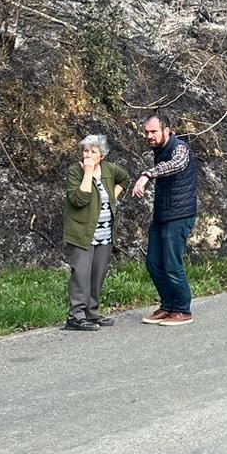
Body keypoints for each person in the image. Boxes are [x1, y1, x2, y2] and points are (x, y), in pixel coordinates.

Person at [132, 112, 198, 324]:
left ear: (167, 131)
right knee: (153, 263)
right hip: (162, 214)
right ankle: (168, 305)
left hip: (179, 215)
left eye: (153, 132)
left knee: (171, 264)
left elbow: (176, 164)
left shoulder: (180, 148)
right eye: (146, 132)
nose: (149, 136)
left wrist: (146, 174)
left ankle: (182, 309)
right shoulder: (159, 150)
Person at [61, 134, 130, 330]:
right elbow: (79, 199)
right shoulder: (75, 171)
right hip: (81, 233)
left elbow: (124, 179)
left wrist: (113, 198)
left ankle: (91, 313)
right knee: (81, 275)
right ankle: (76, 316)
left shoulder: (109, 169)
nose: (88, 154)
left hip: (105, 233)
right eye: (85, 150)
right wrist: (88, 173)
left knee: (97, 274)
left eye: (93, 151)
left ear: (102, 155)